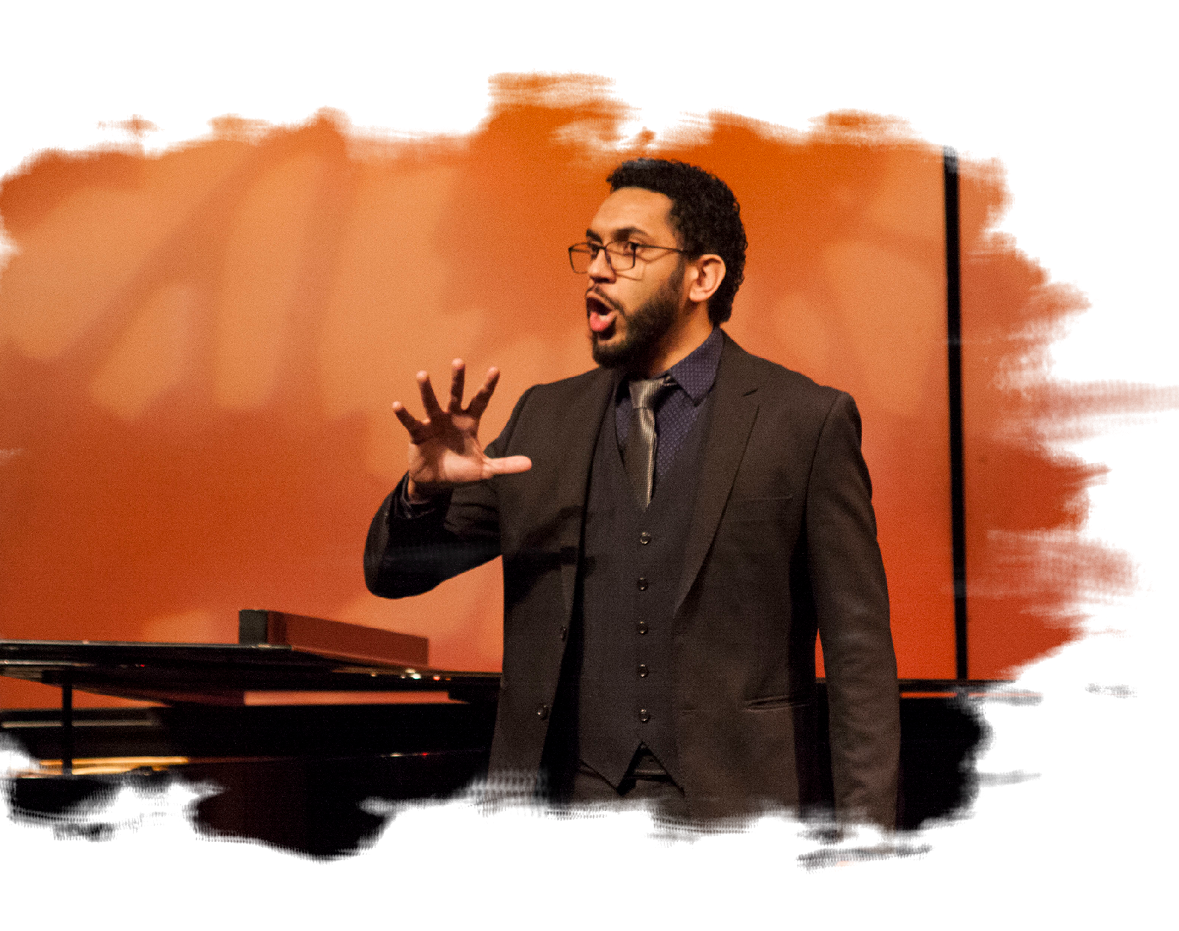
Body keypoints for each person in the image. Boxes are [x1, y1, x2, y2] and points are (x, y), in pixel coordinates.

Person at [363, 158, 900, 829]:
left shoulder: (804, 420)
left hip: (742, 819)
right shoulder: (543, 420)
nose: (597, 268)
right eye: (593, 247)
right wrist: (422, 490)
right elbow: (393, 573)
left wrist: (864, 838)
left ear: (702, 277)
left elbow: (858, 654)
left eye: (630, 248)